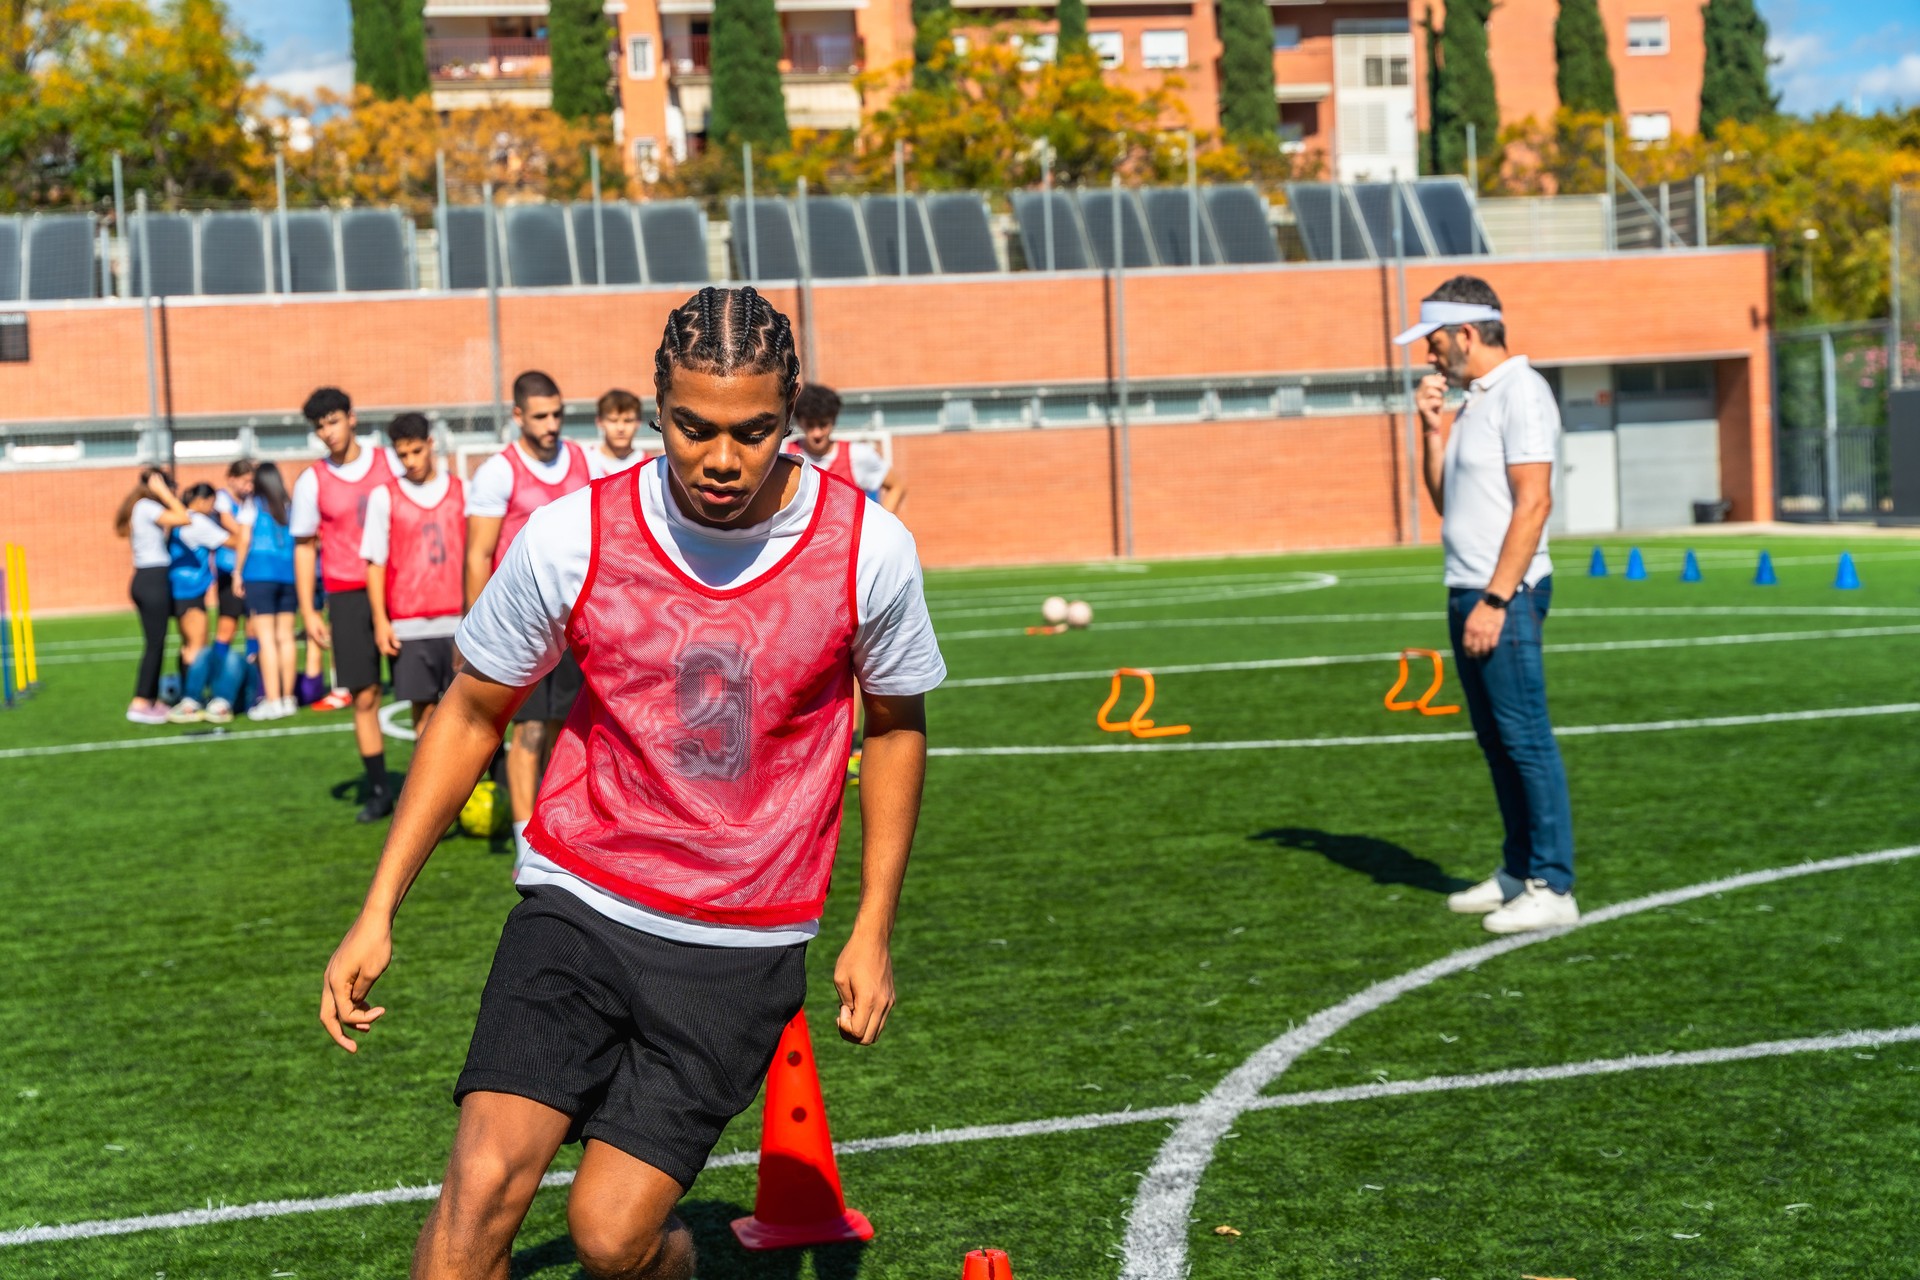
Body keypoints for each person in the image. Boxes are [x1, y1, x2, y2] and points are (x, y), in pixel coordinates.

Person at [321, 286, 945, 1280]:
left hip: (740, 941)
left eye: (756, 430)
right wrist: (378, 907)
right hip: (581, 899)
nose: (725, 459)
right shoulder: (573, 535)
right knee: (481, 1184)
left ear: (793, 417)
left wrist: (873, 924)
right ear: (657, 407)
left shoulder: (869, 547)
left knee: (613, 1236)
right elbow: (474, 710)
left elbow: (898, 725)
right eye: (696, 428)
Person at [1398, 274, 1576, 935]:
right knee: (1497, 743)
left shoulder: (1521, 394)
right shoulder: (1475, 400)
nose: (1429, 355)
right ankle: (1516, 869)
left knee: (1526, 740)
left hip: (1506, 595)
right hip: (1469, 587)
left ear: (1465, 335)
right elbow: (1448, 500)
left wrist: (1496, 600)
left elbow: (1535, 503)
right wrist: (1430, 430)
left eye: (1434, 340)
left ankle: (1552, 884)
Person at [465, 371, 592, 860]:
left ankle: (557, 831)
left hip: (576, 623)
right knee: (530, 731)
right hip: (523, 624)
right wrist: (478, 630)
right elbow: (479, 553)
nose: (552, 424)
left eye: (558, 414)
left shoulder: (580, 459)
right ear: (518, 415)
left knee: (569, 730)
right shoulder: (499, 472)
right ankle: (525, 846)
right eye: (541, 416)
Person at [292, 387, 403, 822]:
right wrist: (308, 610)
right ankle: (379, 791)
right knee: (364, 695)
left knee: (427, 697)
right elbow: (304, 548)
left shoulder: (390, 463)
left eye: (333, 421)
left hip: (399, 590)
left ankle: (434, 790)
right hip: (345, 594)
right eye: (320, 426)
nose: (327, 432)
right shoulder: (311, 481)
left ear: (352, 418)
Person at [363, 413, 465, 744]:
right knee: (424, 718)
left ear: (431, 444)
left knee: (468, 716)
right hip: (409, 625)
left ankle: (478, 792)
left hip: (460, 623)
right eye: (402, 454)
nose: (411, 461)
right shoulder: (384, 496)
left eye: (417, 451)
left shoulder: (464, 491)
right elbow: (374, 564)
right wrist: (380, 620)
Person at [115, 468, 192, 725]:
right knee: (155, 644)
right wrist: (163, 493)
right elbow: (184, 517)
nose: (174, 491)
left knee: (157, 642)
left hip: (149, 578)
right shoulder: (147, 505)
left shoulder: (142, 507)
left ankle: (148, 698)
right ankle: (140, 703)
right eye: (171, 486)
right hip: (152, 579)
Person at [231, 462, 301, 721]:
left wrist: (237, 571)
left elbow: (244, 539)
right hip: (288, 575)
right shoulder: (289, 504)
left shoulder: (253, 503)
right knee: (286, 637)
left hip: (260, 575)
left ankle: (272, 700)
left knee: (267, 639)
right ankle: (288, 698)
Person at [164, 483, 232, 723]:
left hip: (179, 589)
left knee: (187, 646)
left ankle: (187, 693)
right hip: (190, 591)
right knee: (197, 646)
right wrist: (232, 522)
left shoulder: (181, 520)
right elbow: (231, 541)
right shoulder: (197, 522)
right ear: (204, 501)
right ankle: (191, 699)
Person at [786, 383, 905, 513]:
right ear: (799, 422)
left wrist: (882, 525)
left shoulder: (857, 455)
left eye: (823, 425)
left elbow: (897, 486)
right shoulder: (784, 453)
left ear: (833, 421)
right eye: (810, 425)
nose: (817, 433)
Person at [587, 388, 646, 478]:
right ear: (599, 422)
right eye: (613, 420)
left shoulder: (648, 465)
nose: (620, 428)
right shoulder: (585, 462)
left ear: (638, 422)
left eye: (628, 420)